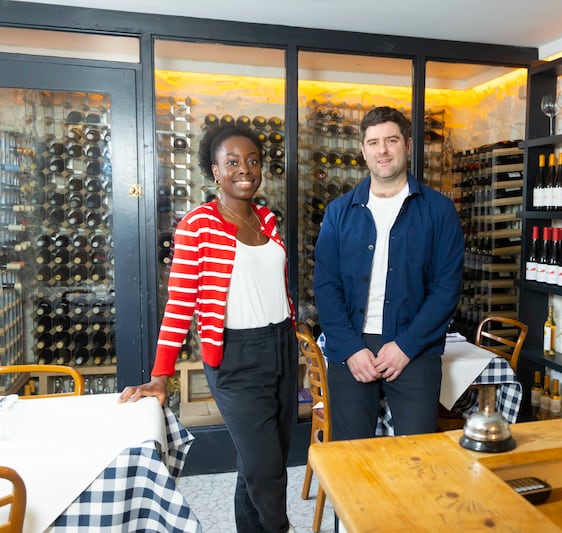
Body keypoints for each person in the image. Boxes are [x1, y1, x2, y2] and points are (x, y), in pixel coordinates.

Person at [120, 124, 297, 533]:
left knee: (264, 460)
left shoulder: (267, 219)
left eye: (252, 161)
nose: (245, 170)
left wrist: (292, 328)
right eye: (232, 162)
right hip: (236, 356)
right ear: (215, 171)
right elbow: (180, 304)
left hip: (282, 347)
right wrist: (160, 377)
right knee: (266, 468)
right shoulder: (198, 225)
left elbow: (272, 284)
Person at [313, 106, 464, 440]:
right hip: (351, 345)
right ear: (363, 150)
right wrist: (350, 348)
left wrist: (406, 346)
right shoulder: (339, 212)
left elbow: (447, 288)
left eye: (391, 140)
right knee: (352, 459)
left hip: (415, 347)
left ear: (407, 144)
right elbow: (326, 285)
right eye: (374, 142)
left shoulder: (439, 210)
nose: (382, 150)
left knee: (418, 457)